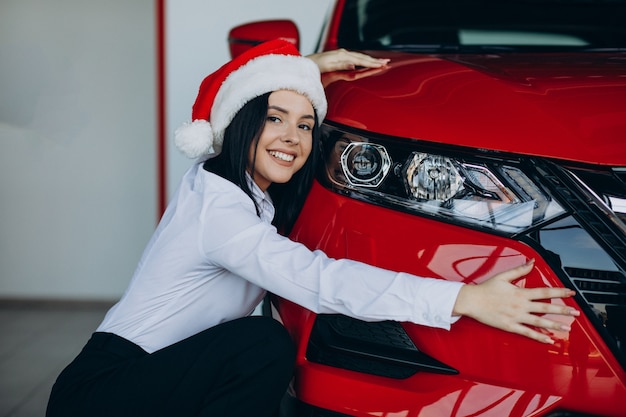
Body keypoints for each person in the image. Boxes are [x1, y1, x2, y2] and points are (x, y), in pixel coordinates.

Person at [46, 40, 578, 417]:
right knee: (261, 344)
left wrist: (308, 68)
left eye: (305, 125)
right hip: (105, 389)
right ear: (243, 123)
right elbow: (323, 281)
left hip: (141, 376)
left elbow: (234, 94)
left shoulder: (225, 185)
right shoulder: (221, 212)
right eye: (275, 118)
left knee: (255, 344)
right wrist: (465, 299)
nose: (293, 138)